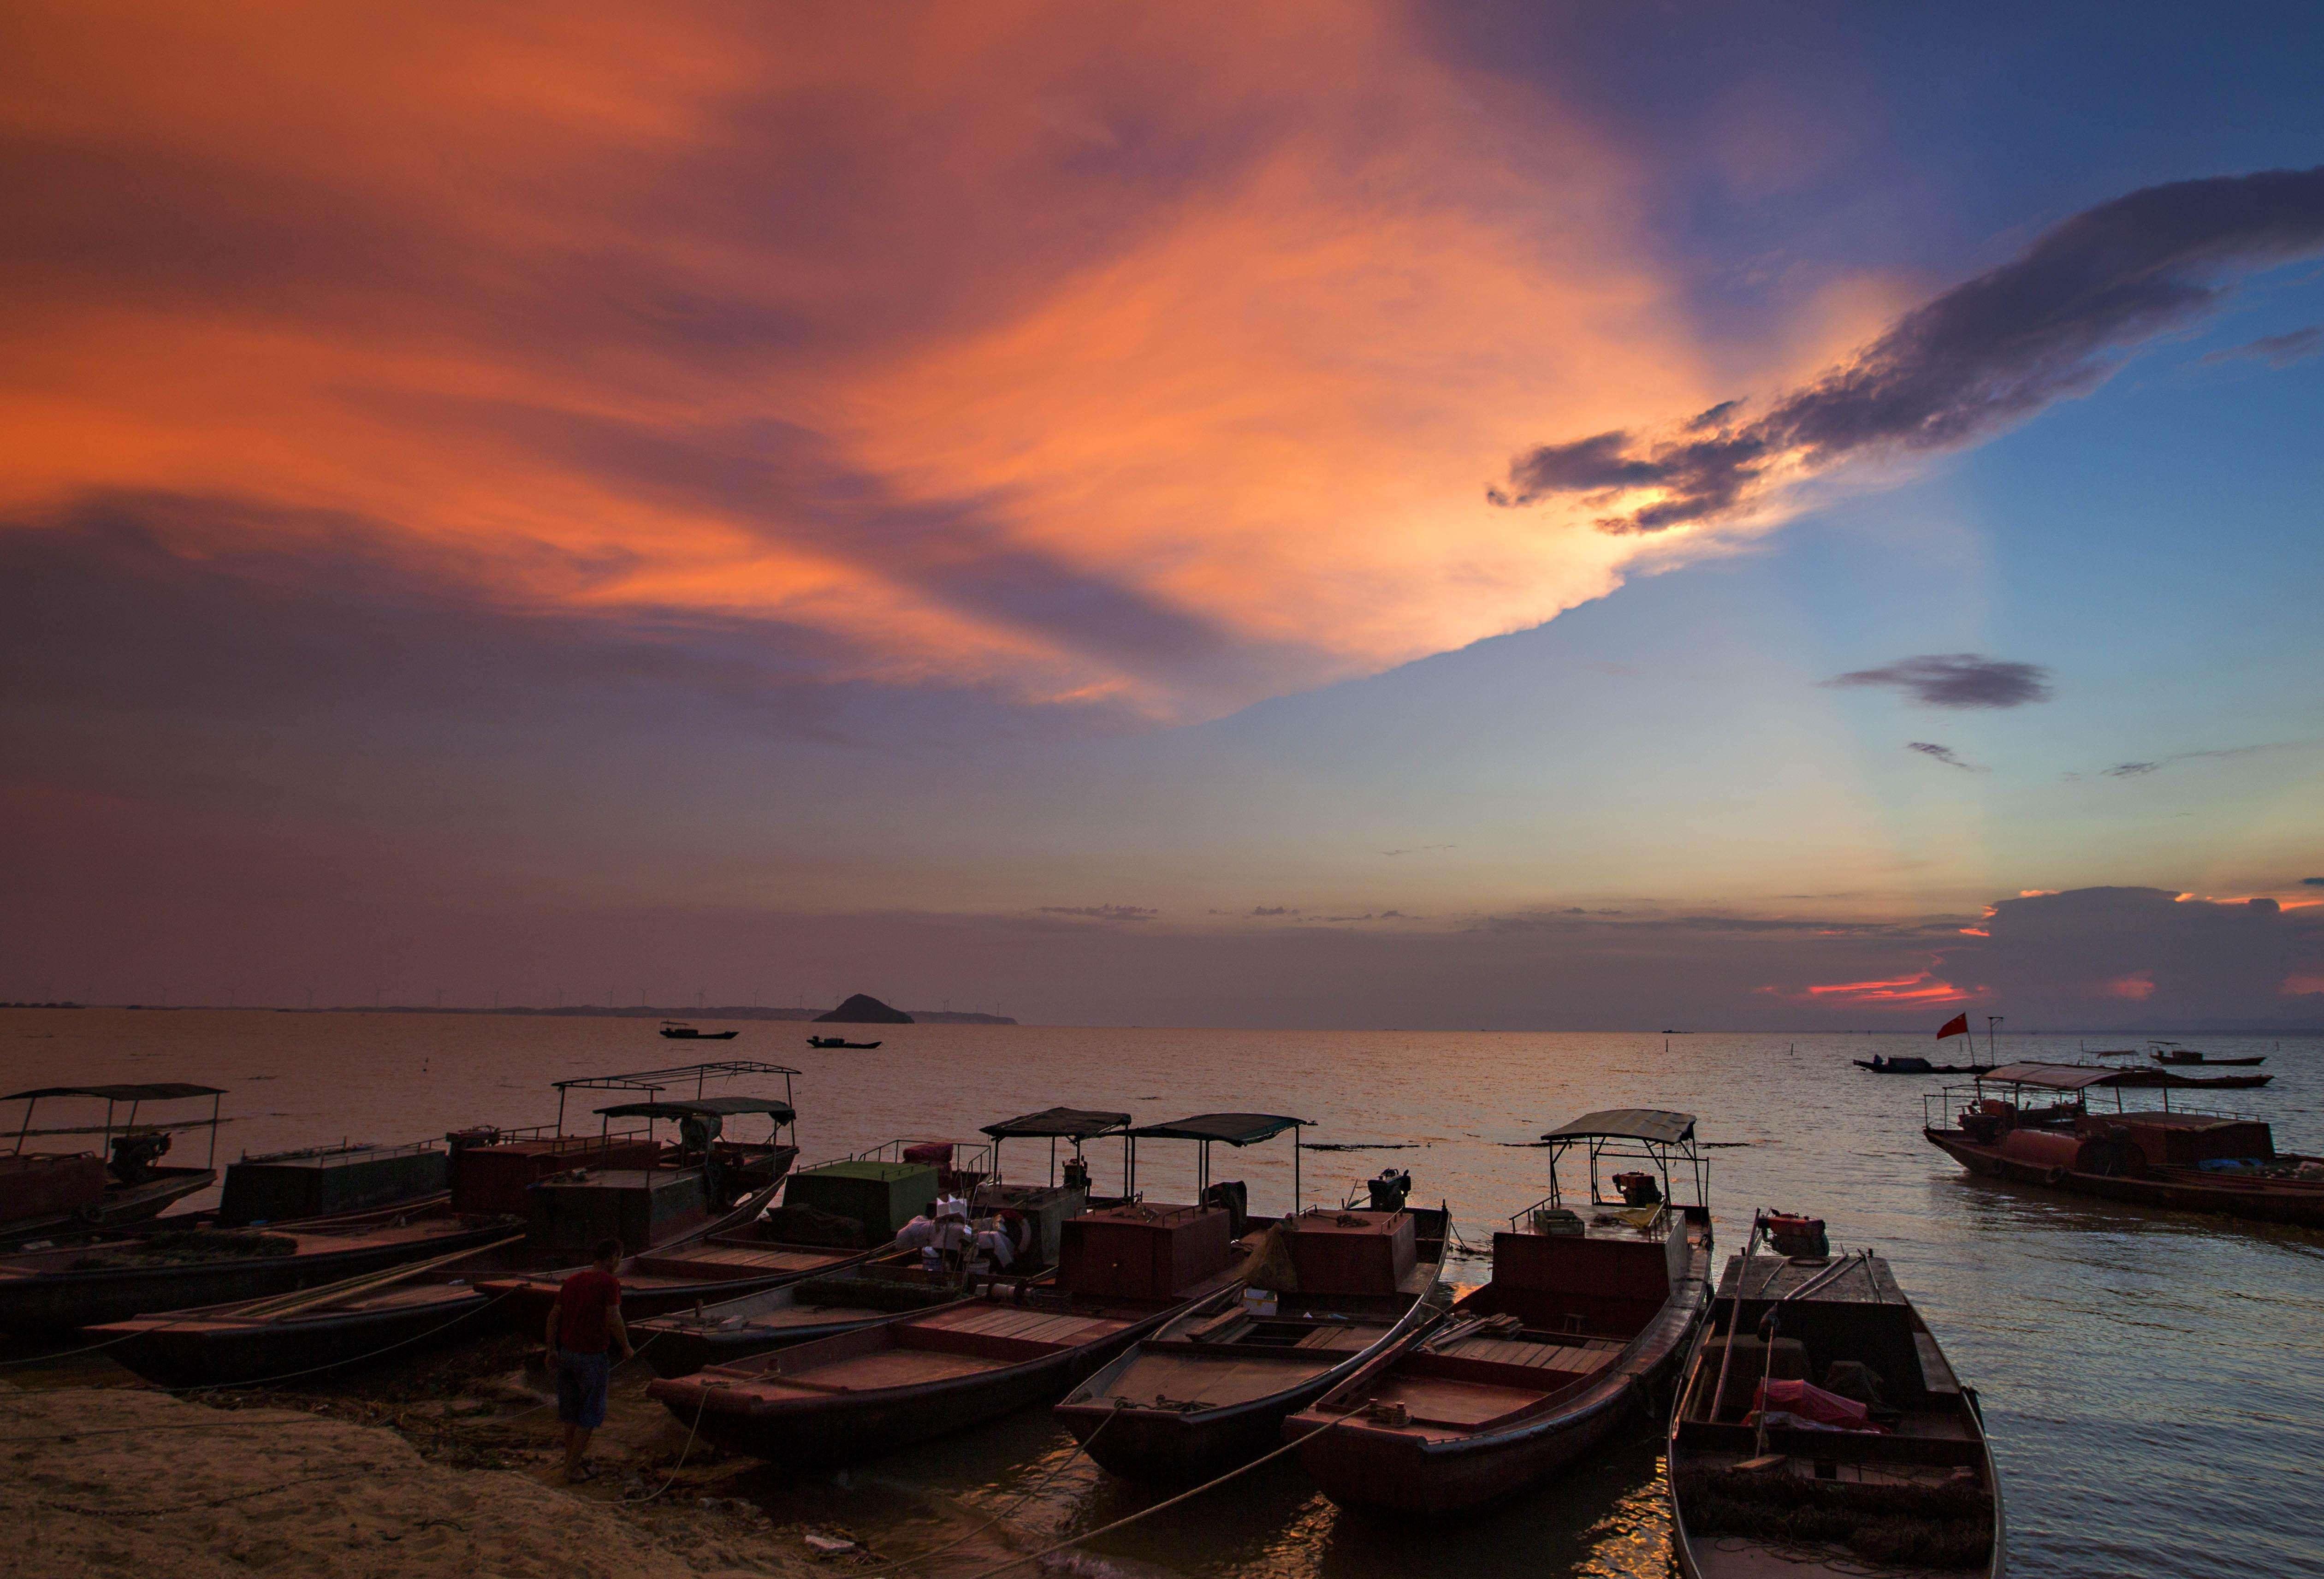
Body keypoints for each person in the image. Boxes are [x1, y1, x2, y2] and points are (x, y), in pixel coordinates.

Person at [545, 1236, 632, 1484]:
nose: (619, 1263)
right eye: (620, 1258)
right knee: (590, 1415)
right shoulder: (609, 1283)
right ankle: (571, 1470)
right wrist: (626, 1347)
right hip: (592, 1357)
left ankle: (570, 1462)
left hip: (567, 1355)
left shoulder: (572, 1281)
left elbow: (553, 1316)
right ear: (613, 1257)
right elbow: (614, 1317)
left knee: (571, 1414)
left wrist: (551, 1349)